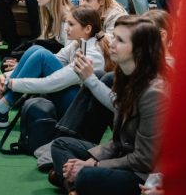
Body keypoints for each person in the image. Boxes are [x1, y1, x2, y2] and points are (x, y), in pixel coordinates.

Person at [50, 15, 169, 194]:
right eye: (114, 37)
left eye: (120, 40)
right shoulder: (124, 77)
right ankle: (76, 185)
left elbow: (144, 160)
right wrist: (91, 161)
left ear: (139, 49)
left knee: (84, 176)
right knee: (60, 145)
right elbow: (117, 142)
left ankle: (73, 184)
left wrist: (95, 165)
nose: (111, 44)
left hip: (141, 173)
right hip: (123, 155)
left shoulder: (154, 93)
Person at [0, 0, 106, 126]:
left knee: (42, 55)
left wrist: (12, 83)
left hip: (82, 114)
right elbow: (52, 62)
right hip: (74, 102)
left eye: (71, 24)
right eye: (67, 23)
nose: (67, 28)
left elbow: (52, 83)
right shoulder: (76, 45)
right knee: (36, 49)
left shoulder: (92, 55)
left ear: (87, 29)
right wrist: (6, 76)